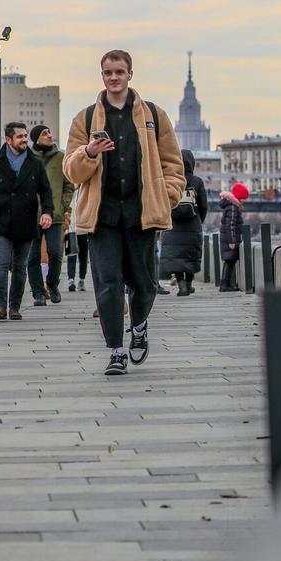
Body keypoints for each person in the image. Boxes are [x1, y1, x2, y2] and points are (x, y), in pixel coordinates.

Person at [63, 50, 184, 377]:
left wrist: (167, 195)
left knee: (144, 284)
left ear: (130, 74)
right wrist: (88, 152)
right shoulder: (86, 119)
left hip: (142, 214)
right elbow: (71, 172)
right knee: (108, 285)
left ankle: (140, 325)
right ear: (101, 76)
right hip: (102, 218)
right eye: (107, 72)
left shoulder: (154, 116)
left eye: (119, 72)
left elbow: (174, 164)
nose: (113, 77)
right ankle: (116, 350)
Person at [0, 122, 54, 321]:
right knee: (1, 263)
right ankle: (0, 306)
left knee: (20, 267)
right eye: (19, 136)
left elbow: (45, 189)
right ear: (8, 139)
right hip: (0, 220)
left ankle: (14, 307)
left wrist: (47, 212)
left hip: (26, 220)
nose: (24, 140)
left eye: (25, 136)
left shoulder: (35, 163)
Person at [26, 125, 75, 306]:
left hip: (55, 215)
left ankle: (52, 284)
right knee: (32, 257)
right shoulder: (27, 158)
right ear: (36, 138)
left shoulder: (61, 157)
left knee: (55, 252)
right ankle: (38, 292)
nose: (49, 135)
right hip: (31, 216)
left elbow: (69, 185)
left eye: (49, 132)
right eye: (44, 133)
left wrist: (63, 206)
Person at [159, 150, 208, 296]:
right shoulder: (197, 181)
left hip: (172, 225)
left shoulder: (169, 180)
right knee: (190, 257)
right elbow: (203, 205)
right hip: (192, 225)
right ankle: (188, 284)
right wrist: (199, 220)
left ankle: (182, 287)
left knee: (176, 258)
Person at [219, 182, 247, 292]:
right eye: (244, 198)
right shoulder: (233, 207)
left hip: (228, 239)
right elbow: (230, 225)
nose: (245, 200)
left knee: (229, 261)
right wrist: (232, 241)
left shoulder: (231, 206)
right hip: (230, 240)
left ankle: (226, 284)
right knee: (229, 262)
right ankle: (225, 285)